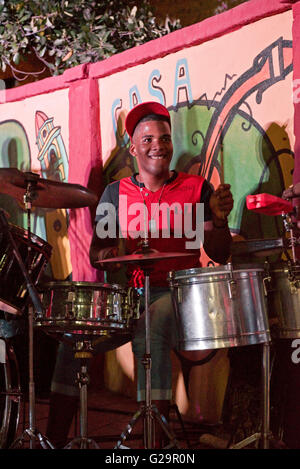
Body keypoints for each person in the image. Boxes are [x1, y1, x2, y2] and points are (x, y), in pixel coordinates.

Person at [89, 101, 234, 447]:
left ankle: (157, 440)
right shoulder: (114, 193)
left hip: (181, 293)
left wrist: (220, 219)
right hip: (130, 296)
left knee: (151, 323)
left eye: (165, 138)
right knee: (71, 342)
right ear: (133, 148)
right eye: (149, 138)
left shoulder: (198, 189)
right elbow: (97, 254)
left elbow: (219, 252)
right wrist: (113, 253)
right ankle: (58, 434)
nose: (159, 145)